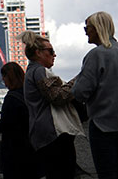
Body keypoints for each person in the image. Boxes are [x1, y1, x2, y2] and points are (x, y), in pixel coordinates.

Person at [72, 11, 118, 179]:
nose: (85, 31)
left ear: (98, 28)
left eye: (88, 27)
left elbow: (80, 93)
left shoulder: (95, 55)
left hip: (102, 126)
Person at [21, 30, 78, 179]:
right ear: (38, 53)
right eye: (51, 51)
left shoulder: (31, 72)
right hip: (53, 134)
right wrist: (79, 80)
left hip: (41, 135)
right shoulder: (39, 71)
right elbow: (57, 96)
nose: (54, 55)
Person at [0, 62, 37, 179]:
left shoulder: (11, 98)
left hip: (15, 152)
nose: (3, 81)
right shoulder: (30, 93)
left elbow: (5, 124)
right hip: (32, 147)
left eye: (4, 77)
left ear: (9, 77)